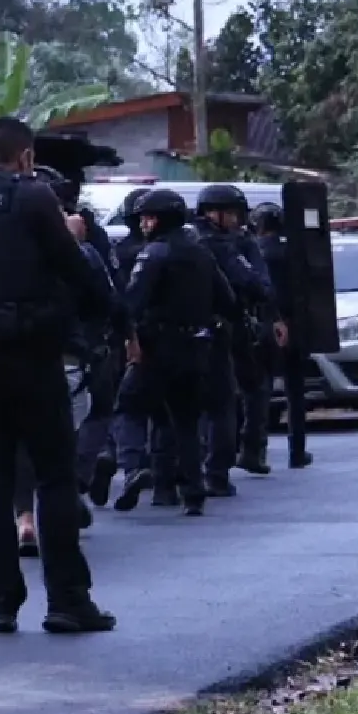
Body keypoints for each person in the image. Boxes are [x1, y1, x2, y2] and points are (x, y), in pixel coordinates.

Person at [0, 117, 113, 635]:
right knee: (54, 475)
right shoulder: (34, 200)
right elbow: (77, 273)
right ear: (26, 157)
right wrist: (108, 316)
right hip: (32, 354)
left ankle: (0, 604)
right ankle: (67, 600)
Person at [9, 170, 116, 554]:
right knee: (64, 438)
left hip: (9, 353)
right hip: (67, 356)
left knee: (20, 440)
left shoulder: (6, 247)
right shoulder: (76, 250)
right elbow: (103, 296)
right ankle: (64, 512)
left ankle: (24, 520)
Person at [123, 189, 237, 515]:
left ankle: (132, 467)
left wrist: (126, 334)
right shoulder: (202, 254)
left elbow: (133, 300)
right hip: (197, 347)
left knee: (128, 405)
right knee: (186, 421)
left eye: (148, 217)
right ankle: (193, 492)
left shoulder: (154, 254)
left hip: (157, 346)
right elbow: (227, 299)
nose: (143, 223)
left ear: (161, 219)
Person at [191, 184, 273, 491]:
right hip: (224, 328)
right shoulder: (223, 246)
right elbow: (255, 284)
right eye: (234, 214)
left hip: (181, 333)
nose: (238, 221)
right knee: (225, 401)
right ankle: (221, 469)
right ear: (218, 214)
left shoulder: (181, 240)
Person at [99, 189, 156, 508]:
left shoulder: (119, 250)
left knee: (116, 403)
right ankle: (138, 465)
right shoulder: (161, 251)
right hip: (149, 338)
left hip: (118, 336)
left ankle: (109, 455)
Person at [255, 207, 314, 471]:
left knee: (259, 391)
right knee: (295, 393)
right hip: (294, 324)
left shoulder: (254, 251)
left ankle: (257, 451)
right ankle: (297, 451)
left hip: (265, 324)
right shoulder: (293, 252)